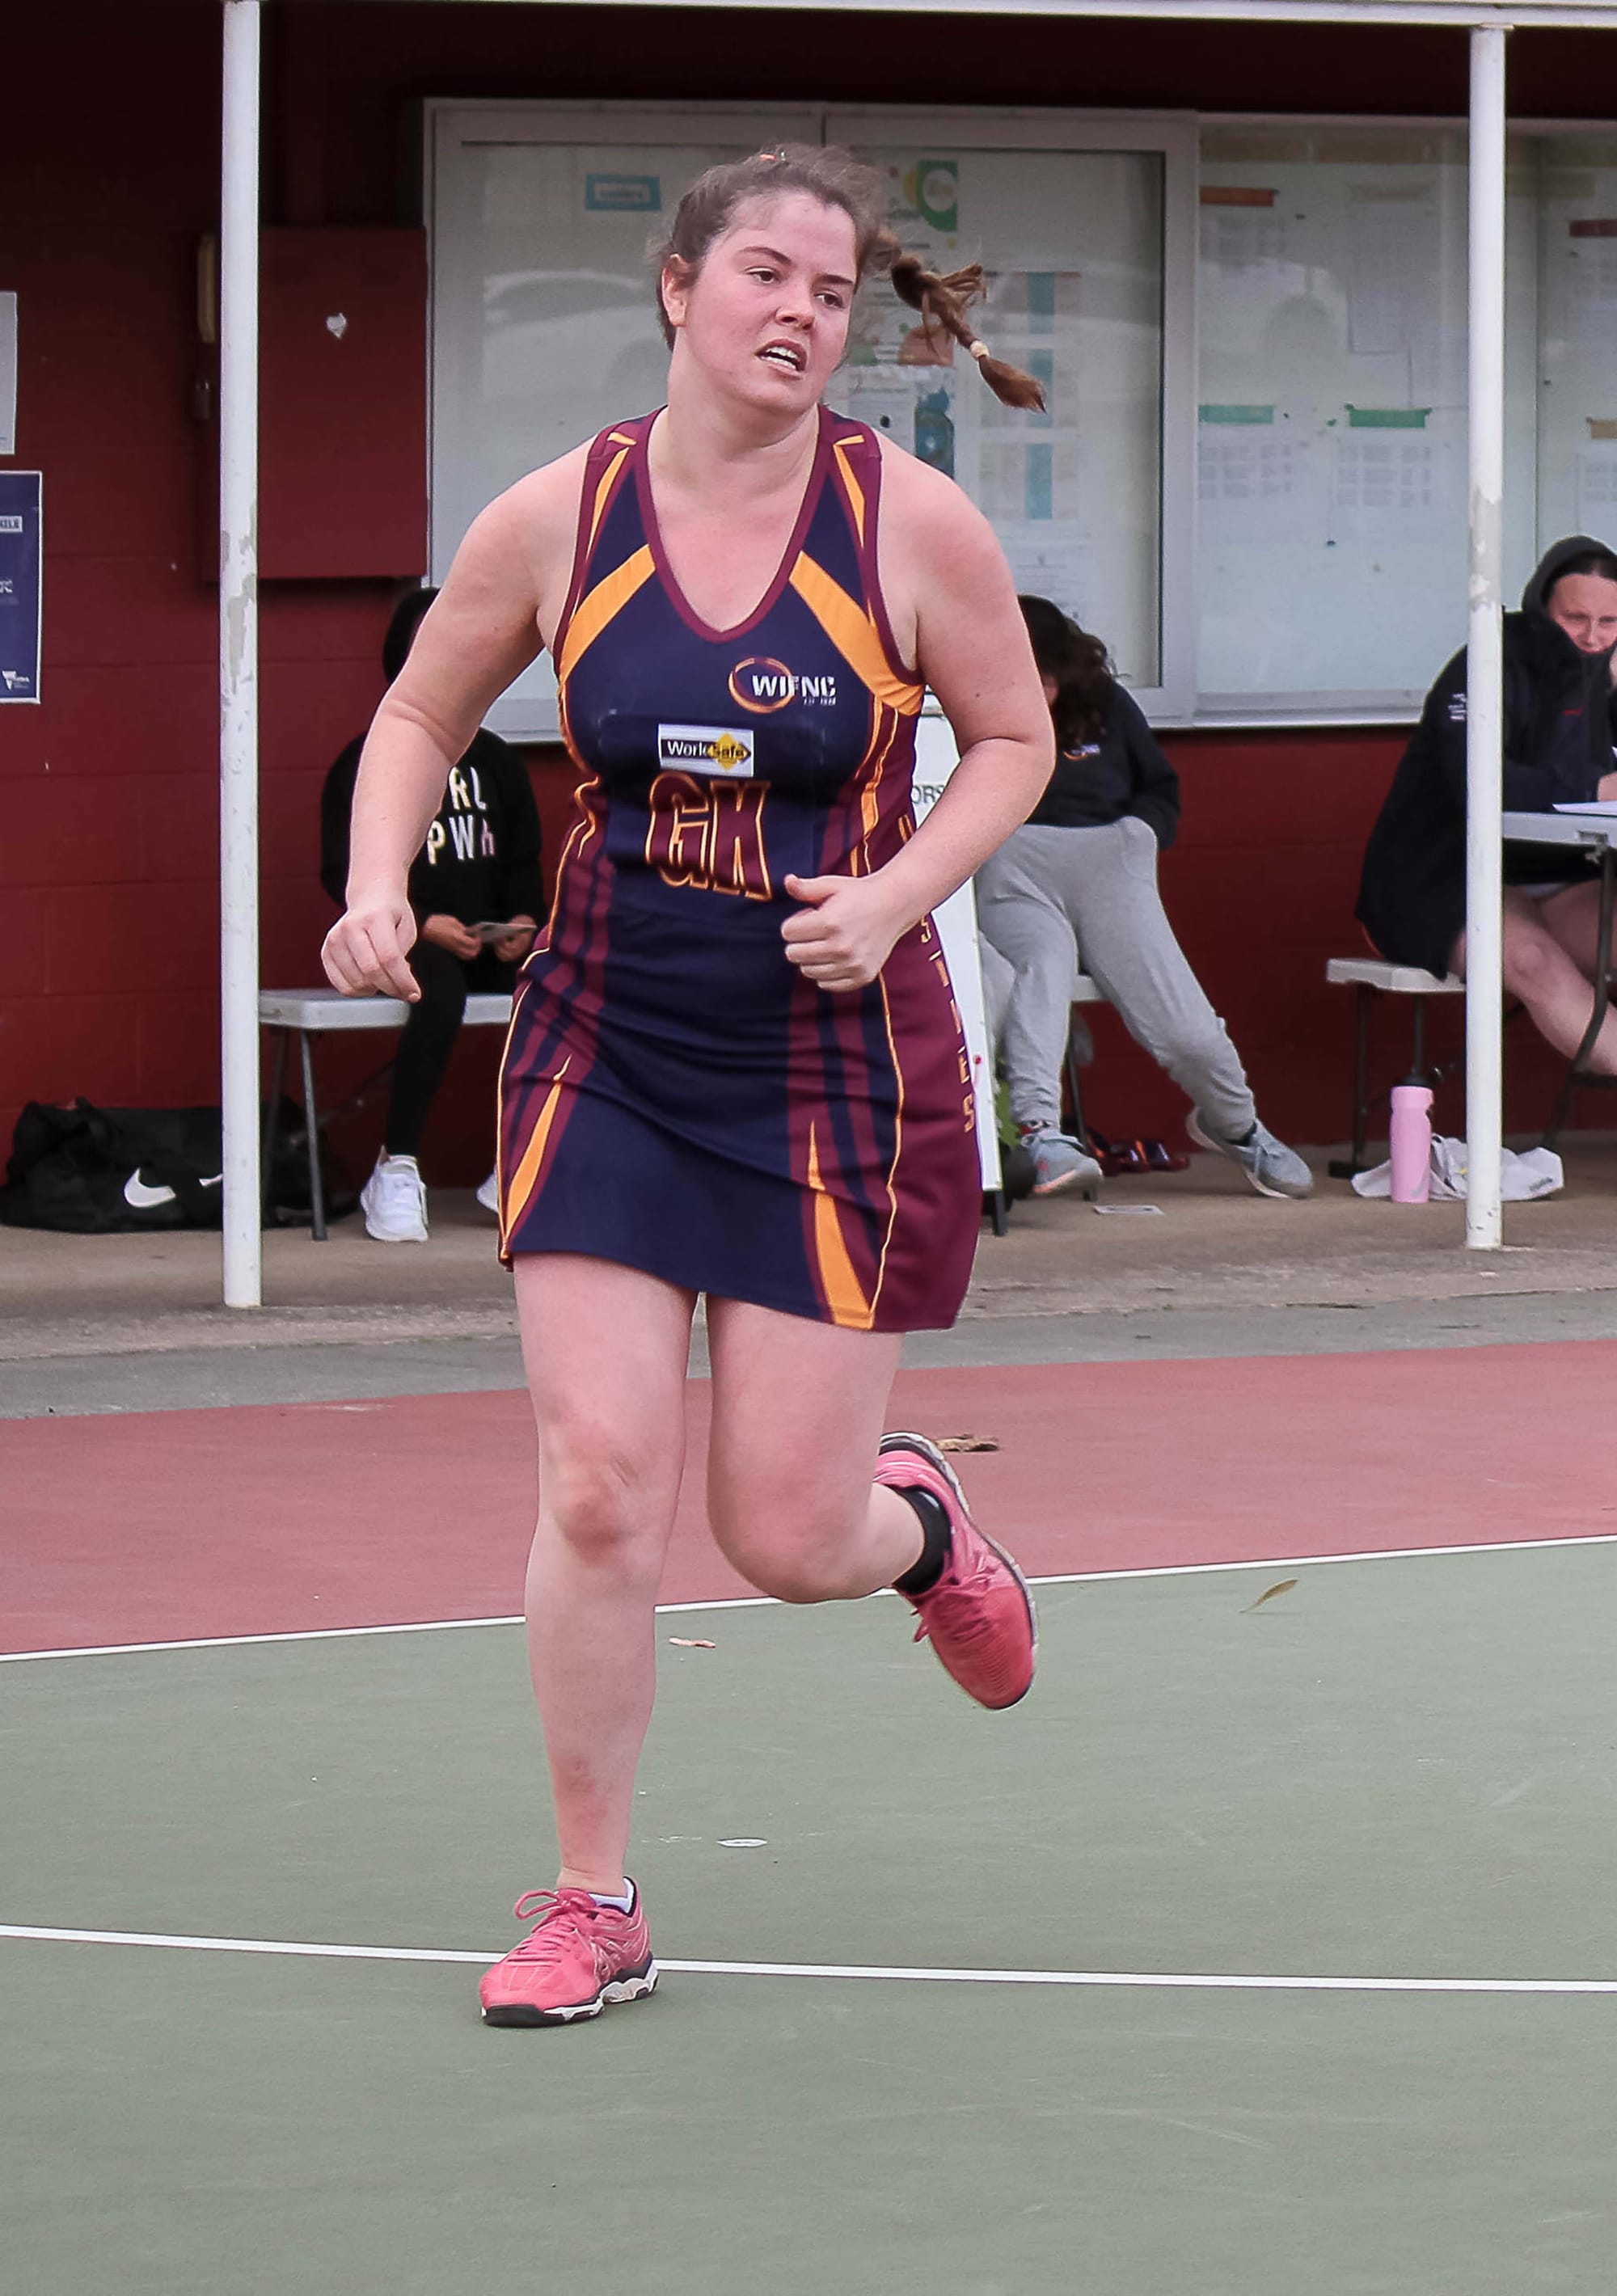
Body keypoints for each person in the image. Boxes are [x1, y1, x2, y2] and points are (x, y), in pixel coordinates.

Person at [321, 146, 1056, 2028]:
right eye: (762, 273)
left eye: (829, 286)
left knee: (781, 1531)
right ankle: (592, 1897)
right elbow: (418, 709)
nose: (797, 308)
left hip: (828, 1058)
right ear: (675, 290)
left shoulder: (908, 527)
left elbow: (1011, 735)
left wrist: (895, 889)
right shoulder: (560, 516)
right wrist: (376, 882)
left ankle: (910, 1522)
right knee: (596, 1483)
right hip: (606, 1039)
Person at [975, 597, 1313, 1200]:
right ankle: (1040, 1134)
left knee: (1185, 1027)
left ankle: (1236, 1125)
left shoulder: (1103, 705)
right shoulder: (964, 709)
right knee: (1041, 969)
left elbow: (1160, 787)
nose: (1036, 693)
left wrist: (1139, 834)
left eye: (1046, 681)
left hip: (1109, 861)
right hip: (1009, 867)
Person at [320, 589, 543, 1242]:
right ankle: (398, 1163)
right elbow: (344, 868)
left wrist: (522, 923)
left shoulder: (499, 762)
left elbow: (523, 862)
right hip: (411, 942)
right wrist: (422, 920)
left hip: (491, 945)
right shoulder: (367, 762)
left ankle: (521, 1162)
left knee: (563, 980)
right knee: (436, 991)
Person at [1357, 536, 1617, 1070]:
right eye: (1576, 618)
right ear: (1543, 607)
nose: (1592, 637)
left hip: (1558, 878)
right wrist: (1595, 789)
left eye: (1610, 622)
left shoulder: (1608, 677)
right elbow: (1482, 784)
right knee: (1533, 963)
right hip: (1445, 876)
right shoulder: (1490, 660)